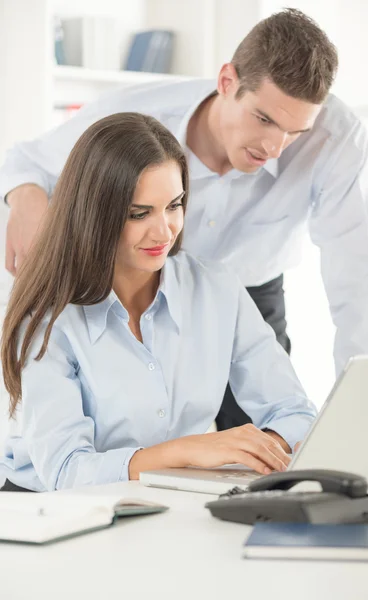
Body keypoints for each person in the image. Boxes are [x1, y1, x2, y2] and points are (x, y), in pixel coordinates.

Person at [0, 9, 368, 433]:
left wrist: (365, 412)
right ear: (227, 82)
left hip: (251, 295)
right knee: (128, 438)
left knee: (267, 446)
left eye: (296, 133)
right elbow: (25, 161)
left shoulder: (337, 140)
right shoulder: (139, 116)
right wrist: (25, 198)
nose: (276, 147)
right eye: (264, 119)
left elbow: (360, 283)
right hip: (134, 294)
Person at [0, 112, 316, 492]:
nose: (164, 230)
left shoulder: (217, 290)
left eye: (174, 205)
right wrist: (189, 451)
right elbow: (67, 471)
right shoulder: (50, 317)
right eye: (139, 213)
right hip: (48, 509)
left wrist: (256, 450)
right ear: (94, 214)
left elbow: (296, 413)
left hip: (167, 497)